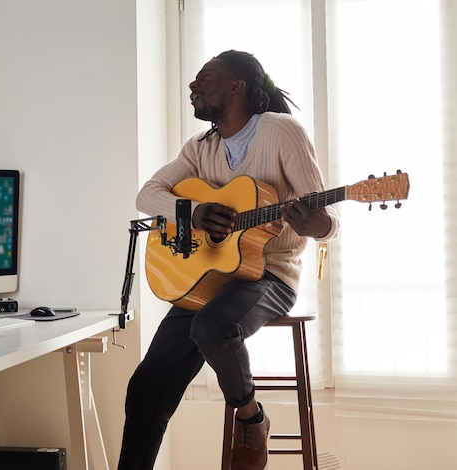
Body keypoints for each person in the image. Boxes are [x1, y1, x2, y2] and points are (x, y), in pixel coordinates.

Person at [117, 50, 340, 470]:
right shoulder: (201, 147)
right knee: (146, 388)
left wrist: (315, 224)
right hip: (208, 280)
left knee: (213, 325)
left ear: (237, 86)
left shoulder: (281, 132)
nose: (192, 86)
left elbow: (328, 222)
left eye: (205, 77)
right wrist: (194, 212)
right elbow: (147, 194)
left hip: (269, 277)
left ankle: (251, 417)